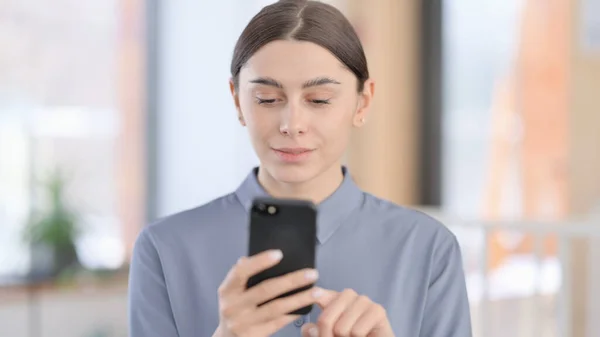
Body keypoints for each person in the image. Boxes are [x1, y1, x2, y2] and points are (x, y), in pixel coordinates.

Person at [128, 0, 472, 336]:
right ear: (237, 100)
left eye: (319, 100)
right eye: (267, 99)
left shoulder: (427, 248)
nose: (292, 124)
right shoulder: (164, 249)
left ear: (362, 101)